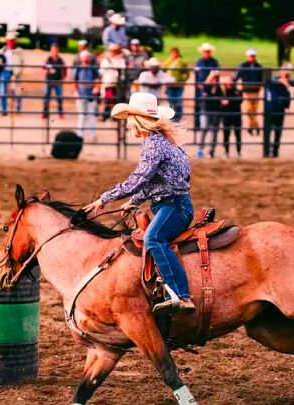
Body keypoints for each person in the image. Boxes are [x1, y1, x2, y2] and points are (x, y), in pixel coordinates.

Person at [83, 92, 195, 315]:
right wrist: (134, 202)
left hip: (173, 206)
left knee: (153, 238)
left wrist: (104, 199)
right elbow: (159, 180)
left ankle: (182, 296)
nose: (128, 126)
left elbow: (138, 179)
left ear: (136, 120)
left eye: (128, 120)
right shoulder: (164, 143)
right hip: (173, 203)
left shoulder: (153, 145)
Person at [263, 65, 292, 157]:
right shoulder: (274, 79)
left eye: (288, 72)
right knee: (269, 130)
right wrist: (281, 81)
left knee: (278, 131)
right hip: (271, 108)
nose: (286, 74)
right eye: (284, 72)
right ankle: (267, 150)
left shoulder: (288, 82)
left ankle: (275, 150)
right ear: (280, 72)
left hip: (280, 109)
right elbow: (269, 81)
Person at [234, 48, 263, 136]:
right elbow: (237, 77)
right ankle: (256, 125)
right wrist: (236, 87)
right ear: (247, 56)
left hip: (256, 91)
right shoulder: (243, 66)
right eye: (251, 56)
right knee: (249, 110)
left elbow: (262, 78)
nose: (252, 57)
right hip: (247, 91)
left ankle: (252, 126)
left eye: (253, 56)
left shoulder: (259, 66)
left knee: (254, 109)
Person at [73, 50, 99, 141]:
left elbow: (97, 79)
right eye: (84, 56)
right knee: (82, 115)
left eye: (87, 56)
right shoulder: (78, 68)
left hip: (90, 95)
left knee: (91, 115)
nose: (86, 58)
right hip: (81, 94)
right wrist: (76, 91)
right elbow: (75, 80)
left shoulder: (92, 68)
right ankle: (80, 135)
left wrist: (96, 88)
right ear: (81, 58)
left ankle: (93, 135)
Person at [193, 43, 219, 130]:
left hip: (210, 87)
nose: (206, 53)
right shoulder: (199, 62)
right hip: (200, 87)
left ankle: (210, 124)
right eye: (205, 51)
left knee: (210, 104)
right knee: (198, 104)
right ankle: (197, 125)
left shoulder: (214, 62)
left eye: (208, 51)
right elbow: (196, 75)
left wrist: (213, 85)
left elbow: (216, 75)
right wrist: (198, 84)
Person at [98, 43, 126, 121]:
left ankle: (112, 116)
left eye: (114, 51)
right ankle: (106, 115)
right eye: (112, 50)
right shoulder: (106, 60)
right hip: (108, 82)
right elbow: (101, 71)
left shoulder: (120, 60)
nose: (113, 52)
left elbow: (122, 71)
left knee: (114, 100)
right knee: (108, 99)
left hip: (116, 83)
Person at [198, 70, 221, 158]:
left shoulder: (218, 88)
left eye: (216, 78)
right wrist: (215, 98)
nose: (215, 80)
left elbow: (219, 98)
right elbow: (206, 99)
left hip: (215, 111)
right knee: (204, 129)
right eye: (214, 78)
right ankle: (200, 148)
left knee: (214, 130)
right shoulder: (206, 86)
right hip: (206, 110)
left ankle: (212, 150)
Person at [218, 76, 243, 158]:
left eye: (230, 81)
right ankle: (226, 152)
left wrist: (228, 101)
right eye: (227, 81)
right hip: (226, 116)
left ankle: (239, 152)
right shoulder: (222, 91)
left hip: (236, 116)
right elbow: (220, 102)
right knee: (226, 134)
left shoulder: (238, 90)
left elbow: (239, 100)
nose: (229, 83)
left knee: (238, 134)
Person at [162, 47, 189, 121]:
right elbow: (163, 73)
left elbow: (187, 73)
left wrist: (182, 80)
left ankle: (178, 117)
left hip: (179, 85)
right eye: (173, 52)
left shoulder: (182, 62)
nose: (174, 54)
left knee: (178, 100)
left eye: (175, 52)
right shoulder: (167, 62)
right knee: (171, 101)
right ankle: (172, 117)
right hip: (170, 85)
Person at [0, 32, 19, 116]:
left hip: (14, 72)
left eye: (12, 40)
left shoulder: (18, 51)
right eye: (9, 40)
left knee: (17, 91)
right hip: (4, 71)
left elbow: (21, 63)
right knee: (2, 91)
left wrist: (16, 73)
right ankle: (4, 110)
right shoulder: (2, 50)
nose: (10, 42)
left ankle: (17, 110)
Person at [42, 43, 66, 119]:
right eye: (53, 50)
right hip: (49, 80)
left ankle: (60, 113)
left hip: (58, 81)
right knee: (46, 97)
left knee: (59, 98)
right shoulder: (48, 59)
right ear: (51, 51)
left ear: (57, 50)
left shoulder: (60, 60)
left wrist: (62, 79)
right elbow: (44, 69)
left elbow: (65, 70)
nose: (54, 51)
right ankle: (45, 113)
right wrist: (48, 71)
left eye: (55, 50)